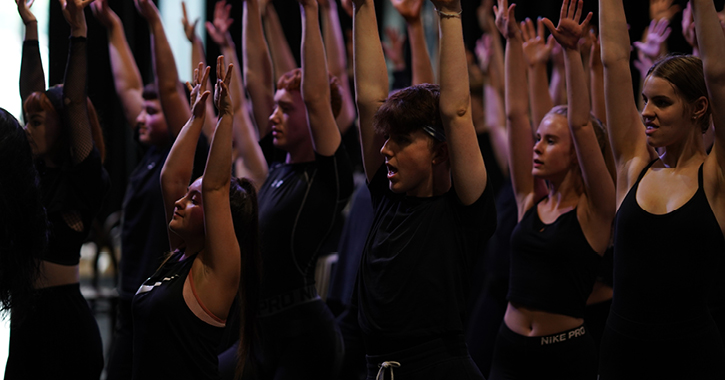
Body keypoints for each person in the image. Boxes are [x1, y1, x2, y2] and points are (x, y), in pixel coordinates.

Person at [352, 0, 497, 377]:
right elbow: (369, 98)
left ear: (440, 151)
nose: (385, 149)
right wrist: (362, 7)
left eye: (400, 140)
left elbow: (457, 112)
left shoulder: (462, 210)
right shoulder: (387, 196)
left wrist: (449, 14)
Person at [221, 1, 354, 378]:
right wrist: (250, 8)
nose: (274, 116)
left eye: (285, 109)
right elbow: (255, 81)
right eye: (275, 108)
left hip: (304, 336)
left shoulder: (329, 174)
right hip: (259, 329)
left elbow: (315, 97)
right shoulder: (277, 168)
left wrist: (309, 12)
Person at [487, 1, 615, 379]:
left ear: (577, 154)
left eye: (549, 141)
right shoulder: (530, 201)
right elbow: (514, 114)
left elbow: (580, 124)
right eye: (537, 138)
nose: (536, 147)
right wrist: (510, 42)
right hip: (508, 349)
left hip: (563, 357)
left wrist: (572, 53)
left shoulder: (596, 211)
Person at [598, 0, 725, 378]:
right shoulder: (633, 166)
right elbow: (615, 61)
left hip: (691, 358)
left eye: (662, 102)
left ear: (699, 107)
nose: (646, 112)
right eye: (645, 101)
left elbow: (717, 74)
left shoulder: (717, 178)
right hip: (623, 354)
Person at [132, 57, 260, 380]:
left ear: (218, 220)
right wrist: (196, 118)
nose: (180, 201)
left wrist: (226, 117)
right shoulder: (181, 255)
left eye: (193, 201)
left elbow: (215, 187)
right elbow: (170, 179)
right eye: (187, 196)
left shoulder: (216, 273)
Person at [8, 0, 110, 378]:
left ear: (63, 127)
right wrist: (31, 26)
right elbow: (30, 93)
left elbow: (73, 101)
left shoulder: (82, 177)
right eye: (27, 121)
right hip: (27, 316)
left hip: (64, 322)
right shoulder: (32, 172)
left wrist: (79, 32)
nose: (26, 128)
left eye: (36, 123)